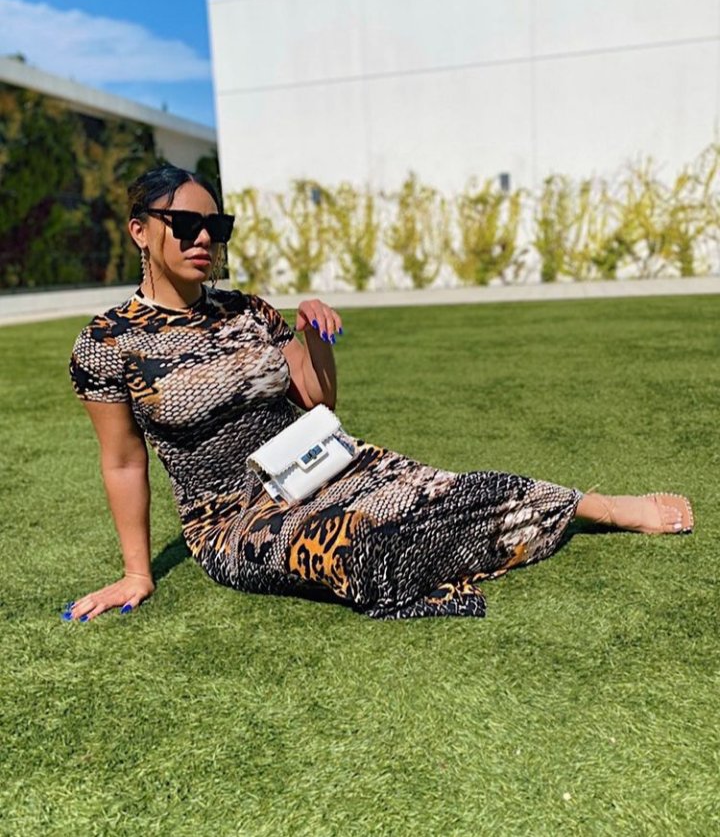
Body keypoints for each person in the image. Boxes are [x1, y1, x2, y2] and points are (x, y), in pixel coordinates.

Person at [64, 165, 694, 623]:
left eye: (215, 225)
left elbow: (318, 404)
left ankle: (600, 508)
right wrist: (138, 572)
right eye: (184, 224)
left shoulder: (250, 311)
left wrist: (315, 338)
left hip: (326, 464)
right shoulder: (106, 344)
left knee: (457, 488)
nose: (203, 238)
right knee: (360, 548)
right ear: (140, 230)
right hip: (235, 519)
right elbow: (123, 462)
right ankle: (434, 552)